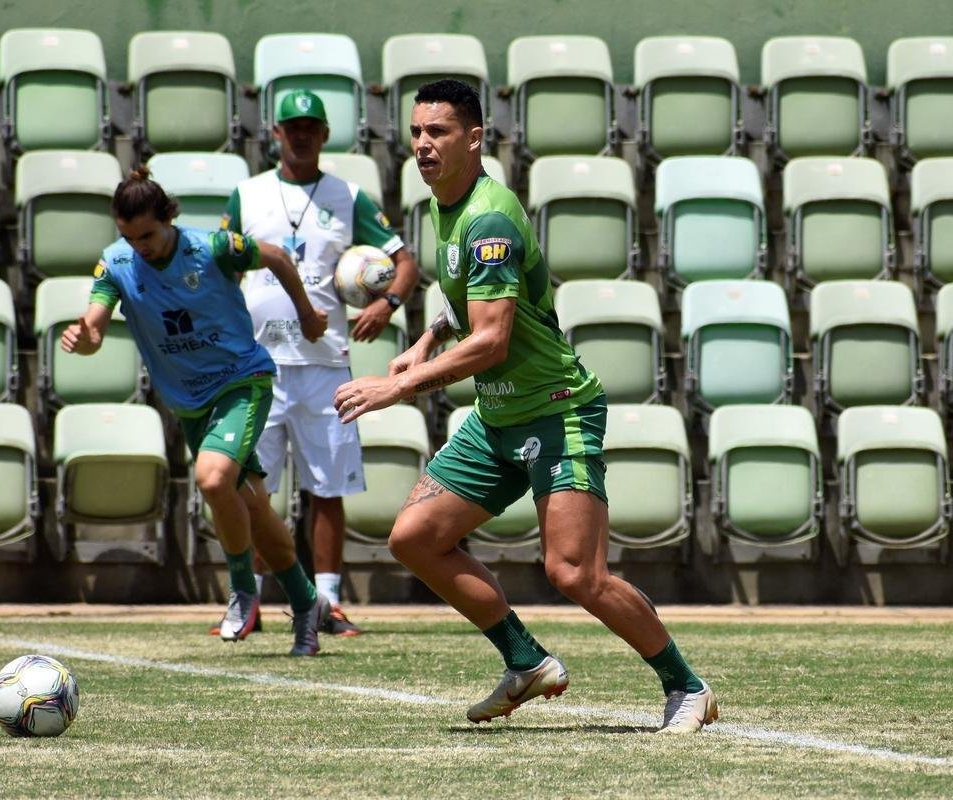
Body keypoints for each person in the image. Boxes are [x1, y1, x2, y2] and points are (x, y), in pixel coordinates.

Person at [332, 79, 718, 732]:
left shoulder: (486, 215)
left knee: (573, 572)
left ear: (474, 137)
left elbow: (493, 338)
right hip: (498, 417)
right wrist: (425, 336)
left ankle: (686, 686)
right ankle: (526, 661)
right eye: (418, 132)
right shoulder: (444, 209)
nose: (423, 144)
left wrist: (398, 385)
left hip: (556, 409)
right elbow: (468, 300)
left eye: (439, 132)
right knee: (415, 538)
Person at [61, 166, 332, 656]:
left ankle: (242, 591)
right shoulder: (117, 263)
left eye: (147, 233)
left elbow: (273, 256)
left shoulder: (212, 247)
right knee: (251, 505)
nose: (140, 246)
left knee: (212, 480)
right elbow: (95, 328)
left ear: (169, 218)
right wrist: (83, 340)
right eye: (129, 236)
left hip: (240, 382)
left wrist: (308, 314)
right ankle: (306, 603)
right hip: (189, 403)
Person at [220, 88, 420, 636]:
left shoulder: (348, 195)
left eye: (311, 125)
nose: (302, 133)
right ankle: (248, 599)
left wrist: (387, 303)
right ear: (276, 133)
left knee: (328, 487)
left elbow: (405, 262)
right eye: (292, 125)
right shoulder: (248, 194)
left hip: (325, 363)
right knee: (249, 488)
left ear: (325, 133)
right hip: (258, 365)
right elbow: (222, 267)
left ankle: (328, 601)